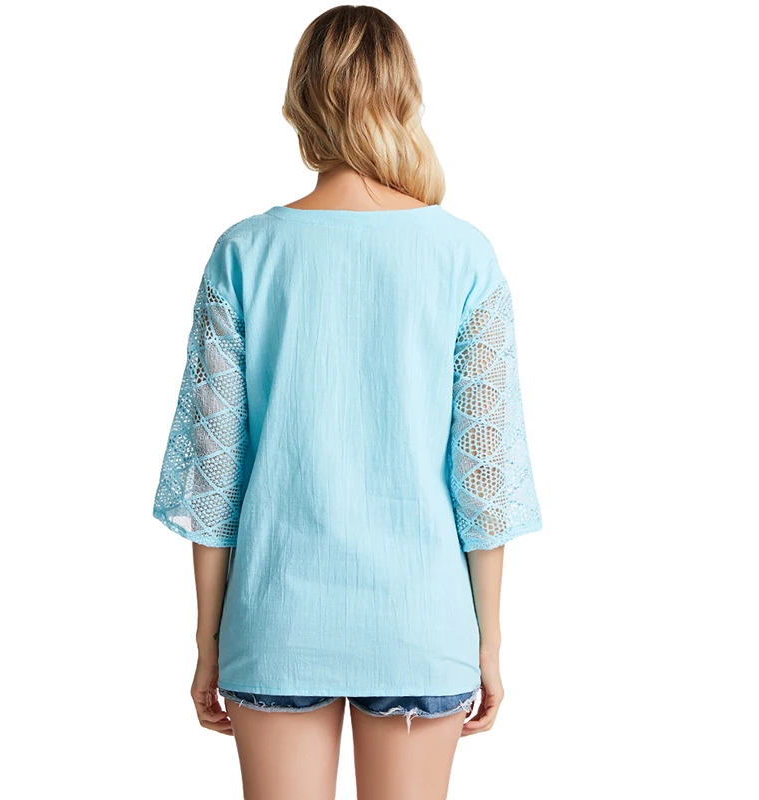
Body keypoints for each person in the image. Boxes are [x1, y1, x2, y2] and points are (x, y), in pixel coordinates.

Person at [152, 6, 542, 799]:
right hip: (421, 623)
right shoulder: (464, 256)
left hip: (276, 620)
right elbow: (484, 483)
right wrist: (489, 642)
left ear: (301, 99)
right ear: (404, 97)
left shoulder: (244, 253)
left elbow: (215, 479)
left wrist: (207, 640)